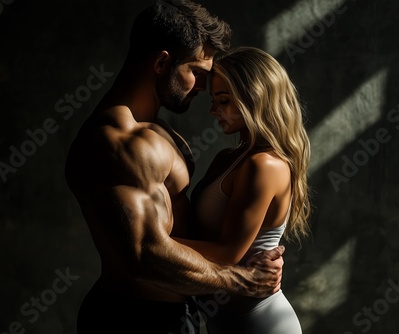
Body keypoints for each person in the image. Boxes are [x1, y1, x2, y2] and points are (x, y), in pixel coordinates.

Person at [64, 1, 285, 333]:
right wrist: (239, 280)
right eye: (196, 73)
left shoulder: (161, 133)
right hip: (133, 319)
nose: (201, 87)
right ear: (162, 61)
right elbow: (143, 254)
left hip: (173, 316)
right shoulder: (115, 143)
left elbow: (178, 234)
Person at [174, 46, 311, 333]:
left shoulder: (265, 165)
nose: (213, 110)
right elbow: (199, 235)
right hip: (220, 322)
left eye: (223, 100)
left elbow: (226, 254)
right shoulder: (227, 158)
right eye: (213, 99)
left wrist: (150, 240)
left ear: (255, 99)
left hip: (262, 324)